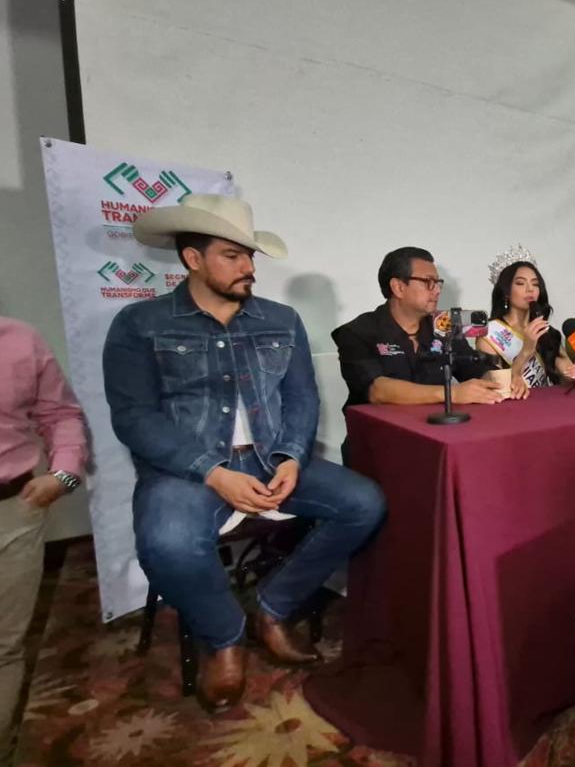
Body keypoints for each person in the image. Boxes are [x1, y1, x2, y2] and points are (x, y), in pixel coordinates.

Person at [103, 194, 386, 713]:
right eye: (232, 256)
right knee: (166, 542)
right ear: (193, 258)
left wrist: (292, 457)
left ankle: (273, 607)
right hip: (186, 469)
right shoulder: (140, 323)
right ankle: (224, 636)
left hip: (270, 457)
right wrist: (212, 472)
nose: (248, 267)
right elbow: (133, 417)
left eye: (249, 256)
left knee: (364, 503)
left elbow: (301, 398)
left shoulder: (280, 319)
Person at [0, 318, 86, 762]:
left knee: (4, 646)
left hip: (13, 511)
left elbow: (60, 413)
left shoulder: (20, 339)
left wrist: (65, 474)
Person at [333, 247, 502, 407]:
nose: (437, 290)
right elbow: (377, 390)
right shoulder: (357, 333)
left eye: (438, 282)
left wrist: (503, 377)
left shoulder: (443, 326)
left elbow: (476, 370)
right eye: (428, 282)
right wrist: (450, 394)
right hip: (379, 427)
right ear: (398, 287)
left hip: (437, 425)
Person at [477, 253, 575, 398]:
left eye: (535, 284)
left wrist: (574, 374)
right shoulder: (490, 334)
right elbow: (495, 385)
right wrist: (526, 351)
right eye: (520, 283)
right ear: (506, 292)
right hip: (511, 406)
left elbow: (566, 375)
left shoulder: (546, 331)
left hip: (545, 403)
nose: (530, 289)